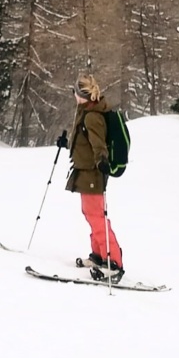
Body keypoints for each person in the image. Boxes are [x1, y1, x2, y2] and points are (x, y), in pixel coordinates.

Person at [60, 72, 124, 283]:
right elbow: (83, 142)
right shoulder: (86, 111)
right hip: (85, 170)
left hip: (93, 172)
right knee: (90, 214)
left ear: (82, 95)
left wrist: (102, 161)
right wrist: (64, 143)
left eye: (75, 92)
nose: (73, 95)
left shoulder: (92, 116)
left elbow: (98, 144)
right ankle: (98, 256)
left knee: (96, 216)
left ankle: (113, 262)